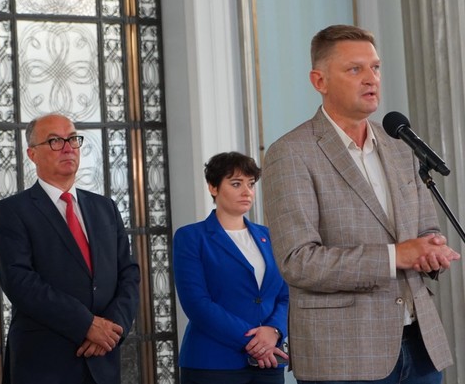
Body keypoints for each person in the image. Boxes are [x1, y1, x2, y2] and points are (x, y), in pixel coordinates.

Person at [261, 24, 461, 384]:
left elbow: (425, 229)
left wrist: (432, 250)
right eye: (355, 69)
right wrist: (396, 256)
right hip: (344, 354)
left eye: (376, 67)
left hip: (420, 346)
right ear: (319, 81)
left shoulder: (400, 146)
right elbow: (298, 261)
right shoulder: (289, 153)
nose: (371, 79)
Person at [0, 113, 140, 384]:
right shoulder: (11, 211)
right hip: (45, 363)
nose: (68, 147)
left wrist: (112, 328)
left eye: (72, 139)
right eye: (55, 141)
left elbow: (128, 273)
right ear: (32, 154)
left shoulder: (105, 207)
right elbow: (20, 283)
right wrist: (86, 325)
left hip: (103, 359)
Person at [173, 152, 289, 384]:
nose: (247, 192)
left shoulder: (270, 236)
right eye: (236, 184)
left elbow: (286, 295)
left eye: (251, 184)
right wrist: (254, 342)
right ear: (213, 187)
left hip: (268, 363)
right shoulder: (191, 237)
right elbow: (197, 304)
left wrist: (274, 330)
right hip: (213, 363)